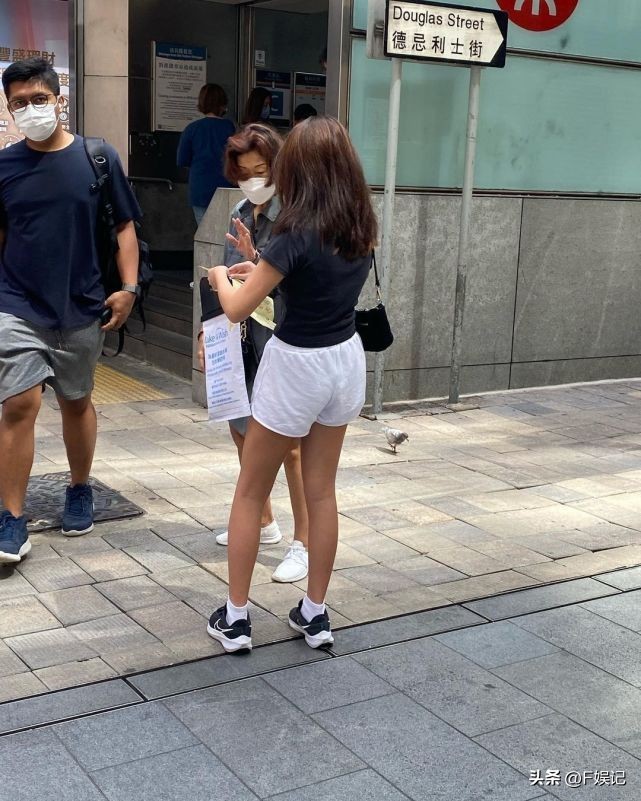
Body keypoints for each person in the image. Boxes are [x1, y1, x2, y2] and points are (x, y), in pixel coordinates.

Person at [206, 116, 377, 652]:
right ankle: (315, 613)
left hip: (296, 363)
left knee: (250, 489)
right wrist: (260, 264)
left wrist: (219, 276)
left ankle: (236, 619)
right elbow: (309, 280)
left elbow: (236, 308)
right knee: (322, 491)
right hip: (344, 360)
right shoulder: (360, 224)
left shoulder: (293, 230)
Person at [0, 58, 141, 564]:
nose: (30, 109)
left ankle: (79, 488)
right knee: (19, 404)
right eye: (19, 103)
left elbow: (124, 227)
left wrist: (128, 288)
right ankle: (11, 517)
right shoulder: (4, 167)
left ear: (59, 100)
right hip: (17, 304)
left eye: (38, 99)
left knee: (76, 402)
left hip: (83, 303)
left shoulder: (96, 157)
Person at [198, 124, 309, 584]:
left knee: (291, 448)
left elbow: (295, 283)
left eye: (260, 170)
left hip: (284, 341)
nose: (252, 180)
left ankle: (304, 542)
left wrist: (257, 260)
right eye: (243, 173)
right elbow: (228, 278)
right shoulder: (241, 211)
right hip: (242, 337)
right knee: (241, 429)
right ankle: (262, 520)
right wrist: (208, 333)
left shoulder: (296, 214)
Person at [177, 83, 235, 226]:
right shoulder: (230, 128)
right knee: (226, 232)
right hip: (226, 188)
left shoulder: (191, 129)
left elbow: (182, 160)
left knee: (204, 232)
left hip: (200, 188)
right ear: (223, 104)